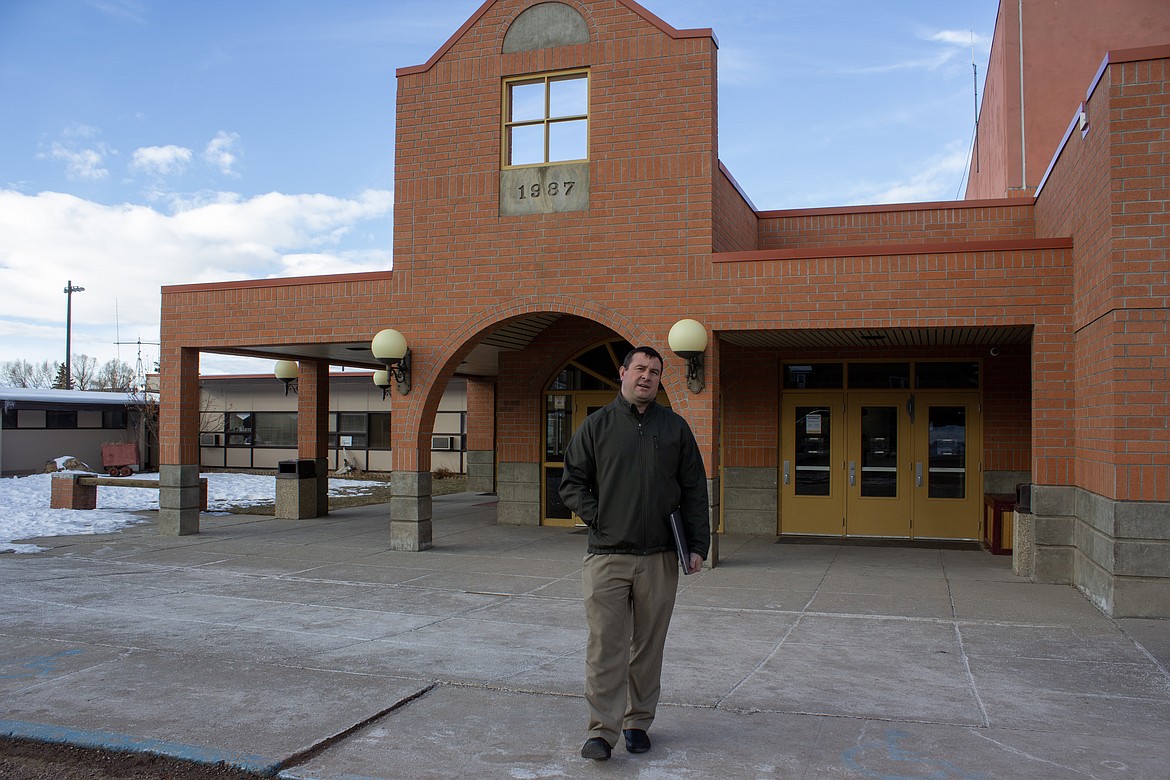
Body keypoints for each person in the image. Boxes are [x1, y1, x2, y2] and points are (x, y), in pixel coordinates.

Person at [559, 345, 710, 761]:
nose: (647, 376)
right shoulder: (597, 426)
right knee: (605, 645)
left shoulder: (675, 428)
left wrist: (698, 545)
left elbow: (695, 489)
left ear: (660, 380)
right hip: (607, 556)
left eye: (655, 372)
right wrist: (600, 517)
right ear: (622, 373)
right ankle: (601, 732)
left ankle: (637, 722)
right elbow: (571, 482)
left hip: (660, 557)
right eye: (640, 369)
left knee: (647, 646)